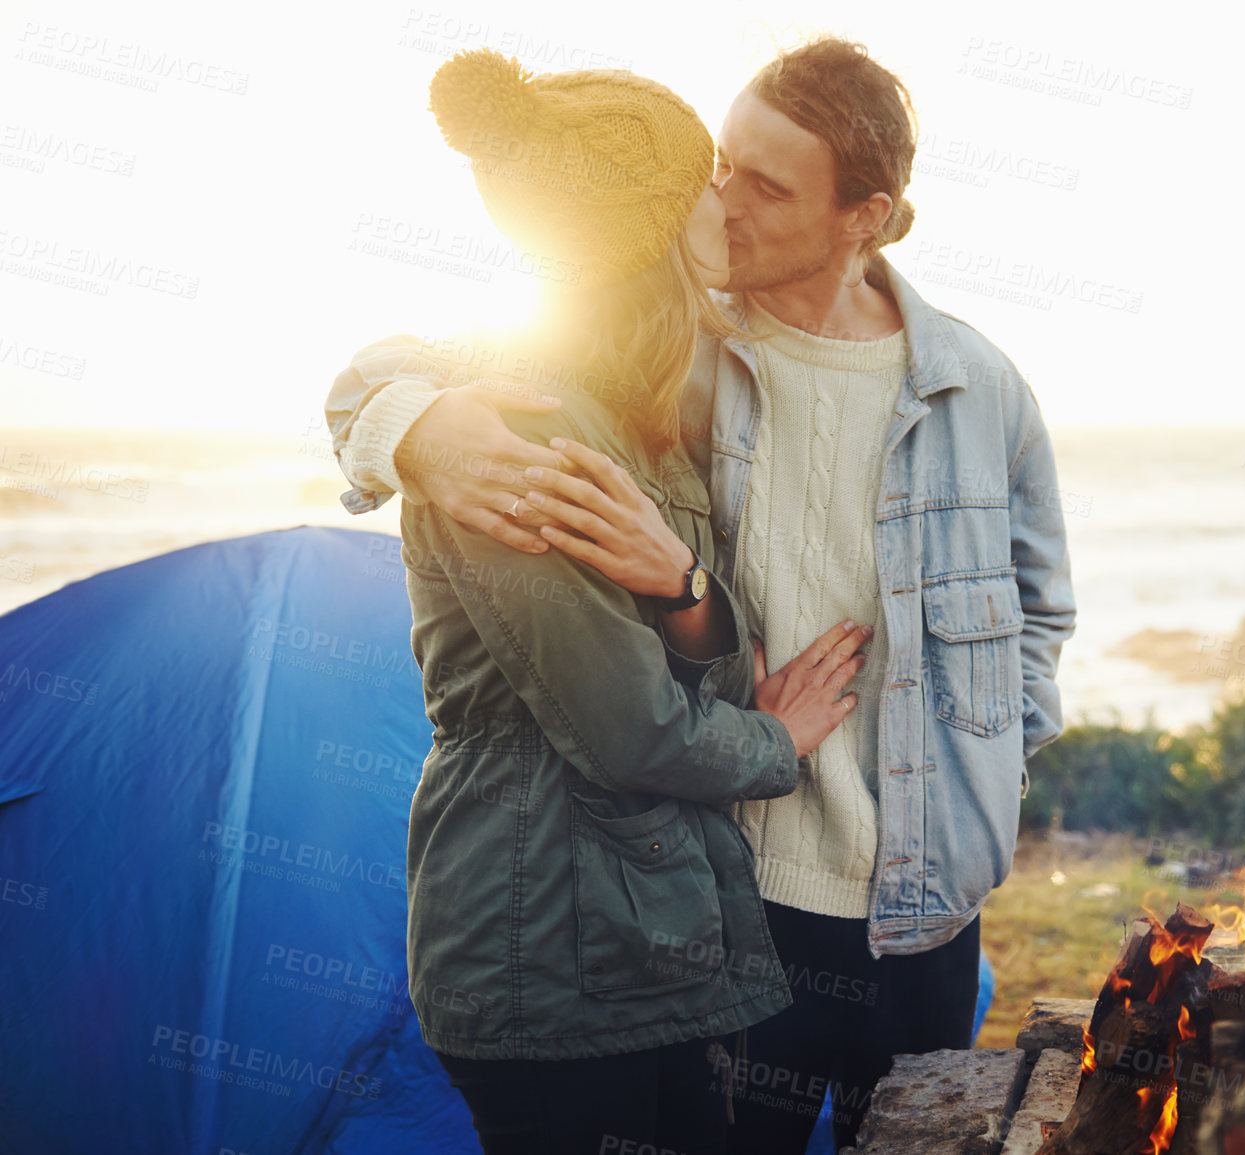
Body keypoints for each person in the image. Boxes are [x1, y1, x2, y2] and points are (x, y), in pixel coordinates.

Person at [327, 38, 1076, 1154]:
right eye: (721, 165)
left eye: (766, 186)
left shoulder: (975, 383)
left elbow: (1041, 610)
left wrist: (997, 763)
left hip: (918, 909)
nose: (723, 201)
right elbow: (395, 367)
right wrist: (414, 426)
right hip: (734, 891)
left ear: (862, 215)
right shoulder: (678, 359)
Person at [372, 48, 871, 1154]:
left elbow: (700, 674)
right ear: (643, 231)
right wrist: (776, 743)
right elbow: (633, 730)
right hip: (553, 957)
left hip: (637, 946)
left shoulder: (640, 414)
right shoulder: (533, 435)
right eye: (706, 178)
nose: (725, 198)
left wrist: (685, 590)